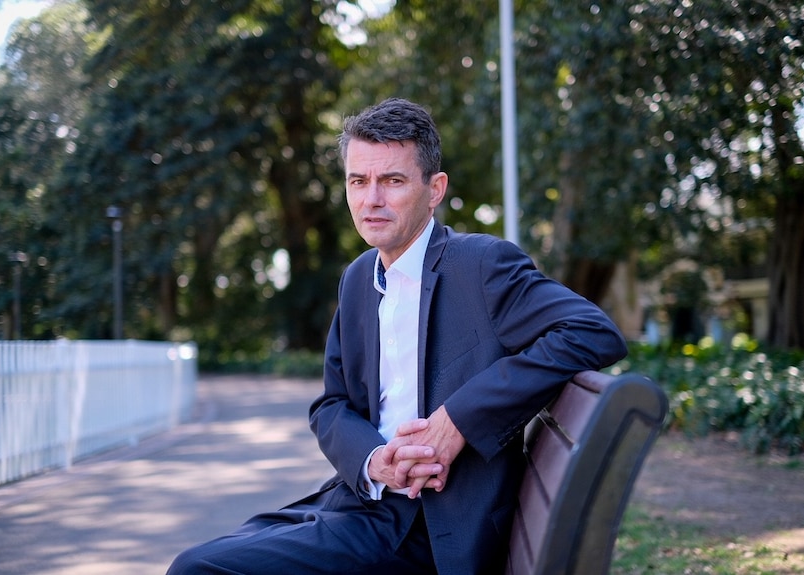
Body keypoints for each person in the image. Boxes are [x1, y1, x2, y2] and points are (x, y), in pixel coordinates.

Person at [167, 97, 628, 575]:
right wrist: (372, 460)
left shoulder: (482, 265)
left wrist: (458, 421)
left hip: (432, 528)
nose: (371, 200)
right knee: (219, 553)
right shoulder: (358, 277)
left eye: (392, 180)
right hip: (358, 499)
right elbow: (332, 404)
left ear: (435, 189)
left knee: (198, 569)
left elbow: (593, 332)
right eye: (358, 181)